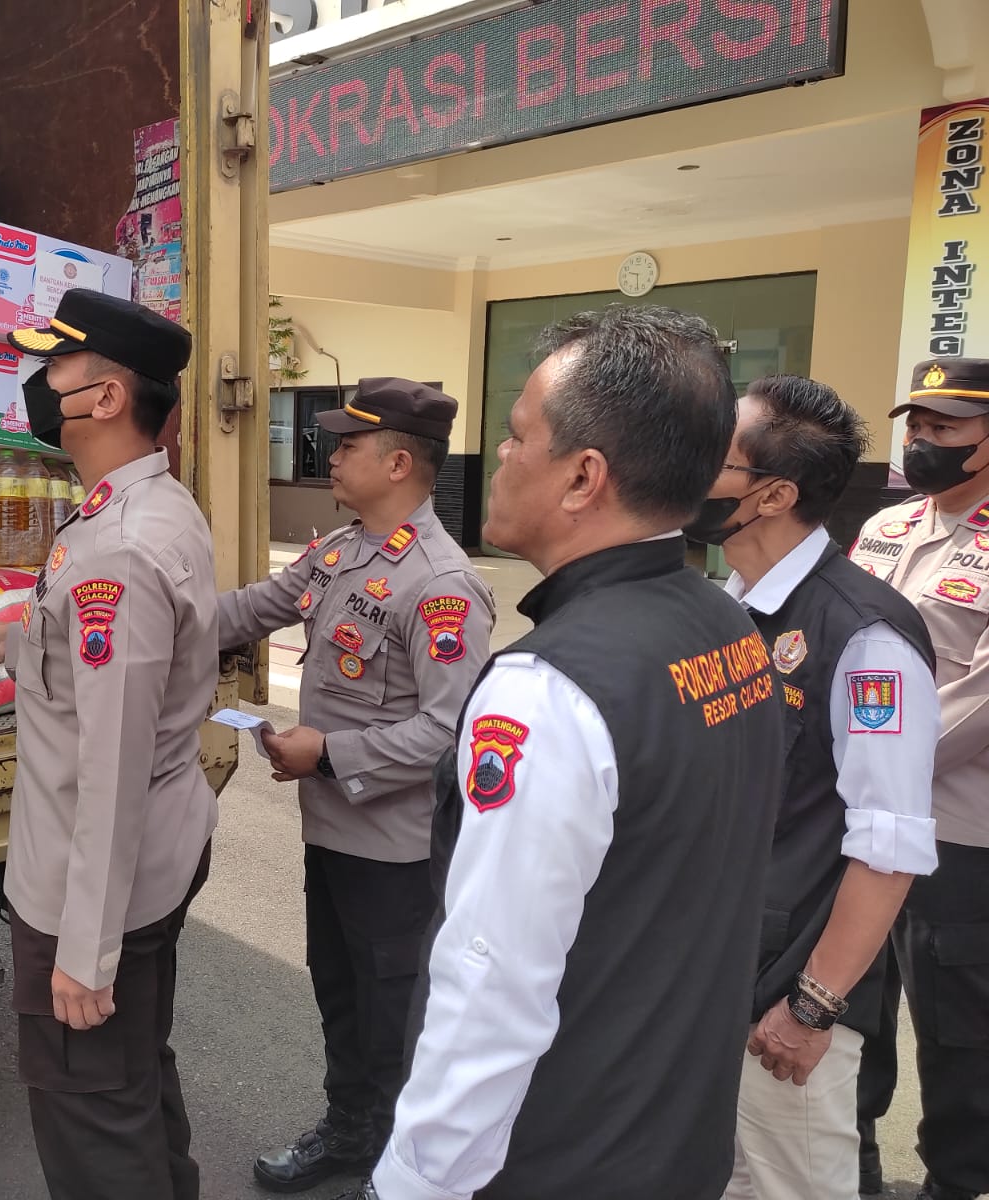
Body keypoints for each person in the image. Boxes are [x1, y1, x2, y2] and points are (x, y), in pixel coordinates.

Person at [352, 306, 787, 1200]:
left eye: (518, 436)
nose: (500, 456)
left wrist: (418, 1179)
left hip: (560, 1154)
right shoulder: (725, 620)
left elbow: (490, 977)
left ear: (584, 476)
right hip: (676, 1136)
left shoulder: (549, 687)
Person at [0, 289, 218, 1200]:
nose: (37, 383)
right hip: (149, 862)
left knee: (91, 1115)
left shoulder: (119, 549)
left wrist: (84, 952)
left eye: (55, 366)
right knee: (130, 1075)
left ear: (106, 398)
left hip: (87, 889)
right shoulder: (140, 508)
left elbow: (113, 763)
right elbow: (113, 667)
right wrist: (19, 637)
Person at [217, 378, 495, 1194]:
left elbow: (452, 732)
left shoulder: (441, 586)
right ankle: (350, 1132)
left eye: (347, 445)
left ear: (399, 463)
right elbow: (249, 610)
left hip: (394, 855)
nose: (330, 456)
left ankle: (406, 1164)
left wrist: (329, 753)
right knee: (341, 995)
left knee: (393, 1015)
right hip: (332, 834)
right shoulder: (342, 550)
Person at [684, 375, 939, 1200]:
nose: (685, 466)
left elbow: (888, 848)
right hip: (706, 979)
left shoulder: (865, 638)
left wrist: (811, 1008)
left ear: (774, 495)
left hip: (783, 1008)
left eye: (714, 455)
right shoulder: (725, 608)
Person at [847, 358, 989, 1200]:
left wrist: (876, 758)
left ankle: (956, 1183)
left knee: (957, 1028)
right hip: (859, 814)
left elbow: (980, 699)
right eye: (918, 426)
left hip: (955, 827)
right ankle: (853, 1168)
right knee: (850, 1004)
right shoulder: (884, 527)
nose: (924, 442)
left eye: (947, 428)